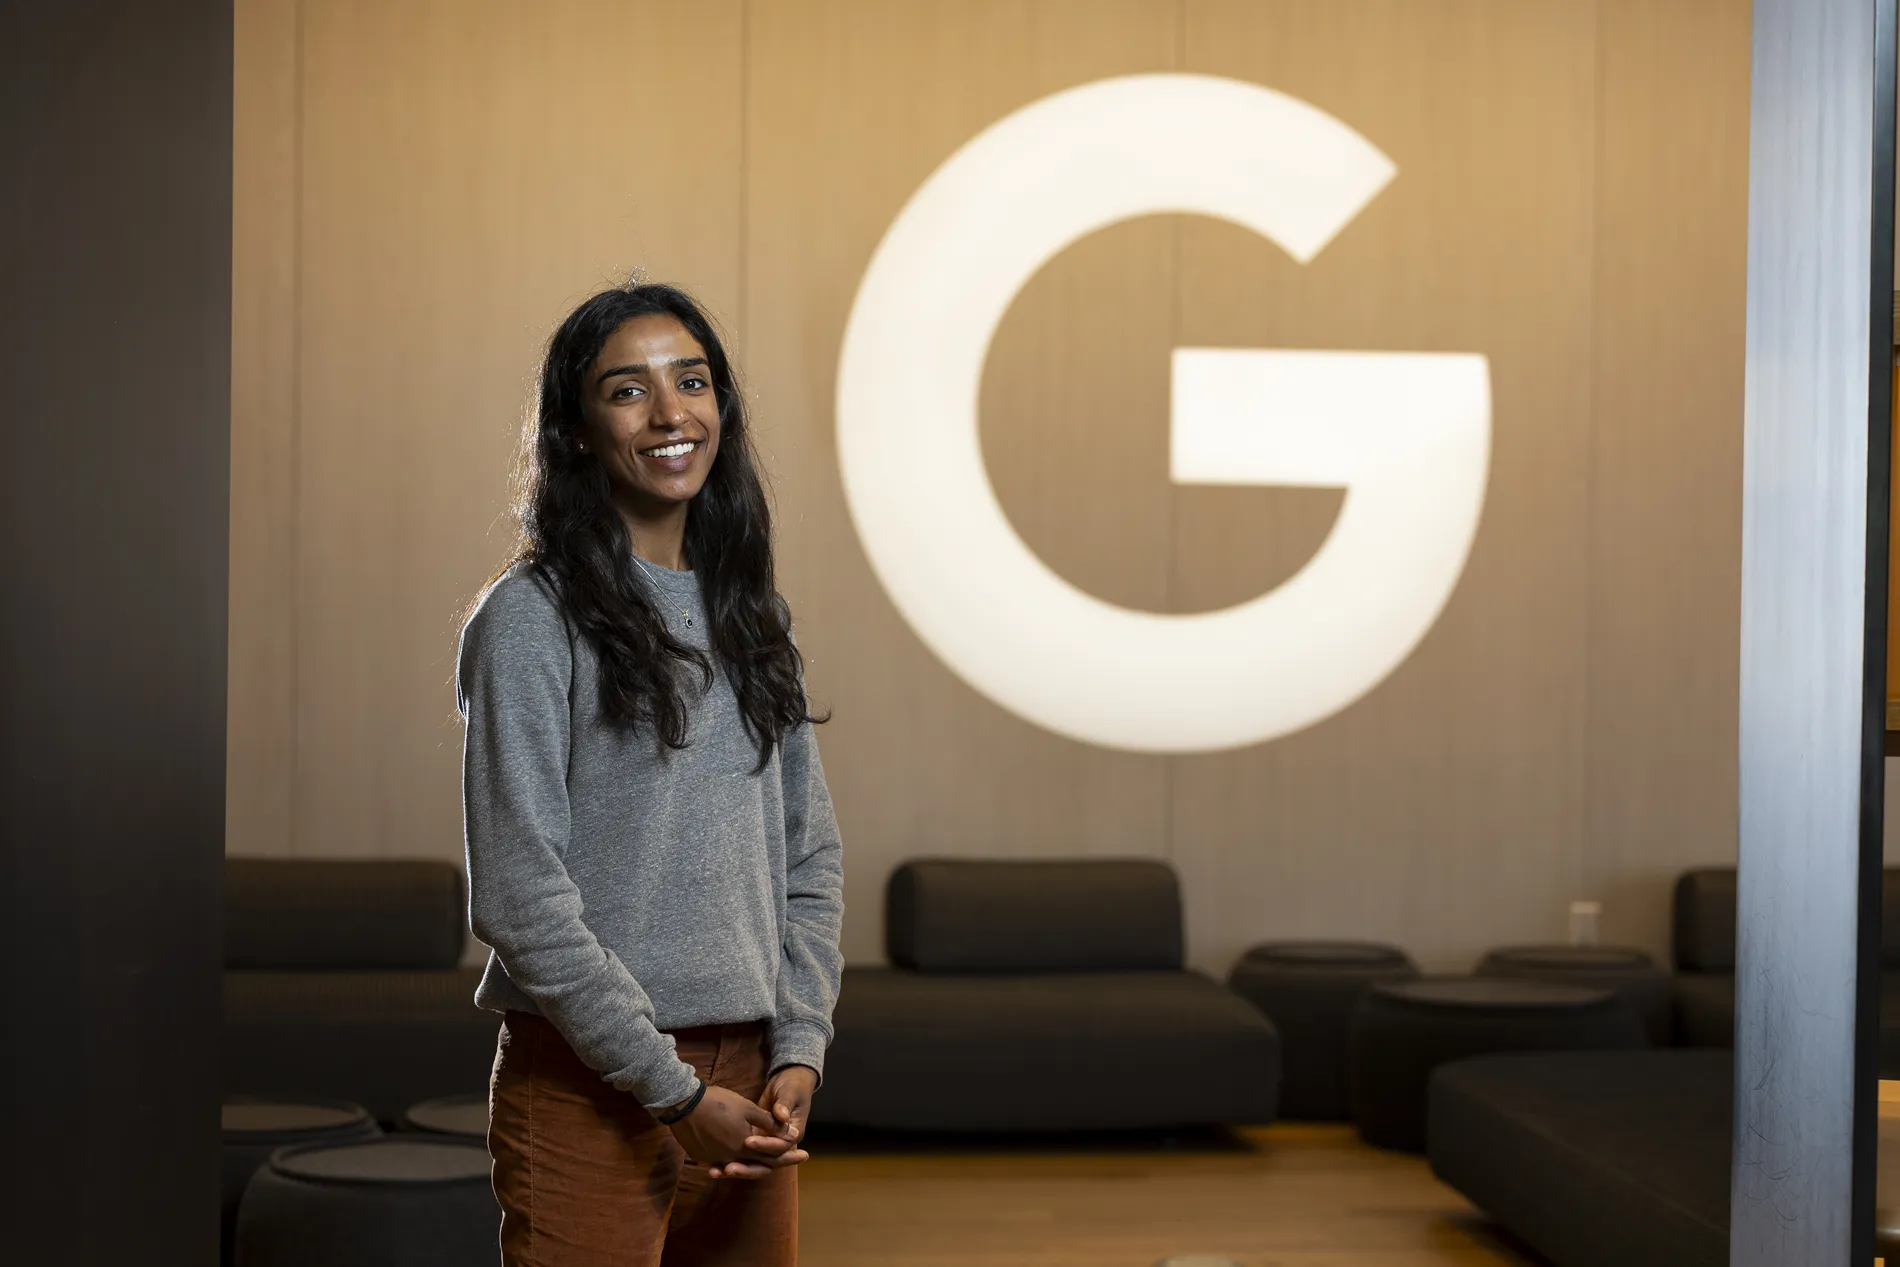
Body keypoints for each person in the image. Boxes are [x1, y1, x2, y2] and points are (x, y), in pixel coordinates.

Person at [455, 279, 844, 1266]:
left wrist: (799, 1043)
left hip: (751, 1078)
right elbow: (518, 892)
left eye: (694, 381)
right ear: (577, 430)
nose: (672, 413)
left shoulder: (753, 612)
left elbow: (808, 854)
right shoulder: (530, 619)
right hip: (593, 1082)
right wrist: (669, 1090)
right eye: (628, 390)